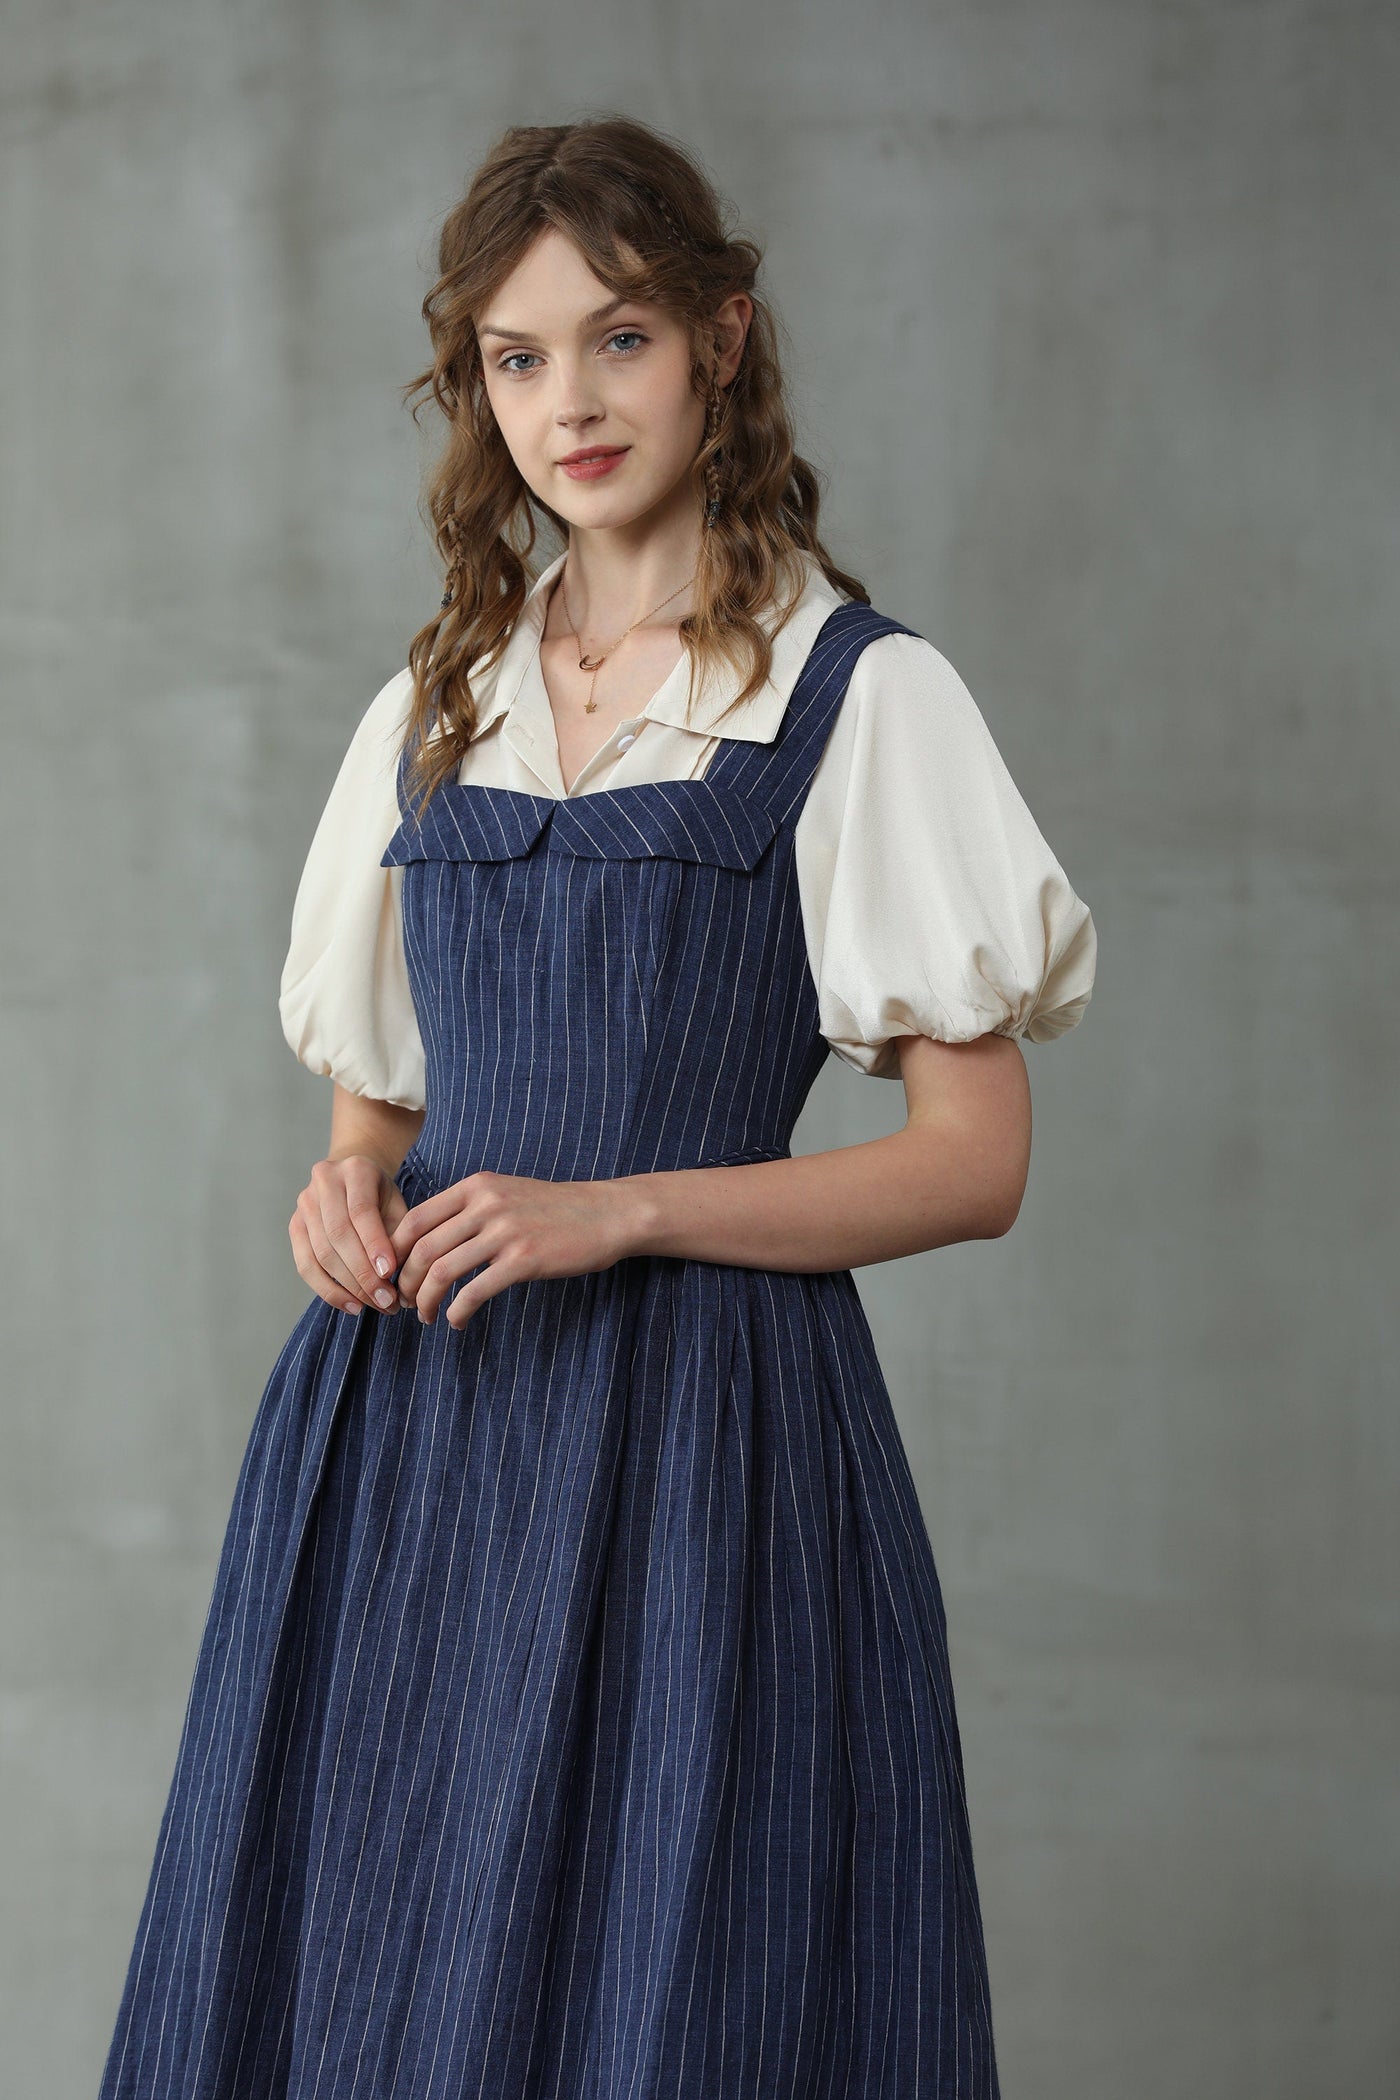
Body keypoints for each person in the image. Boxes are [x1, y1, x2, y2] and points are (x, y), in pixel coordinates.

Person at [98, 115, 1096, 2099]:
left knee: (690, 1988)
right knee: (373, 1985)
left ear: (723, 339)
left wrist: (621, 1207)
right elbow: (374, 1111)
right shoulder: (435, 706)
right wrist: (342, 1196)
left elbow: (974, 1165)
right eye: (517, 355)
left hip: (706, 1446)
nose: (569, 401)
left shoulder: (854, 695)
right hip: (420, 1439)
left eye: (618, 337)